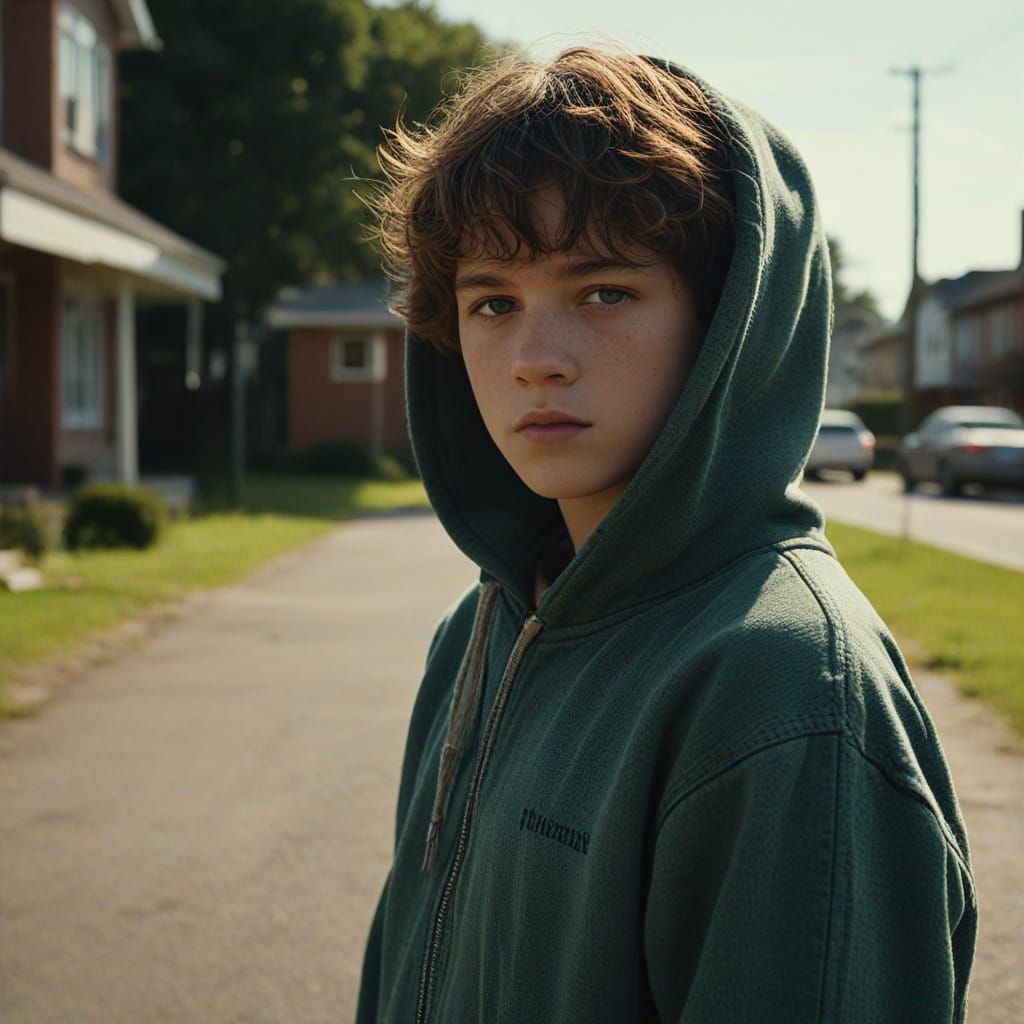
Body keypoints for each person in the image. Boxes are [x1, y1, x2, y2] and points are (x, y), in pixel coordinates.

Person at [355, 46, 977, 1023]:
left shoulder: (784, 689)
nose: (535, 360)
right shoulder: (479, 632)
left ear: (729, 322)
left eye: (603, 290)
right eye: (492, 302)